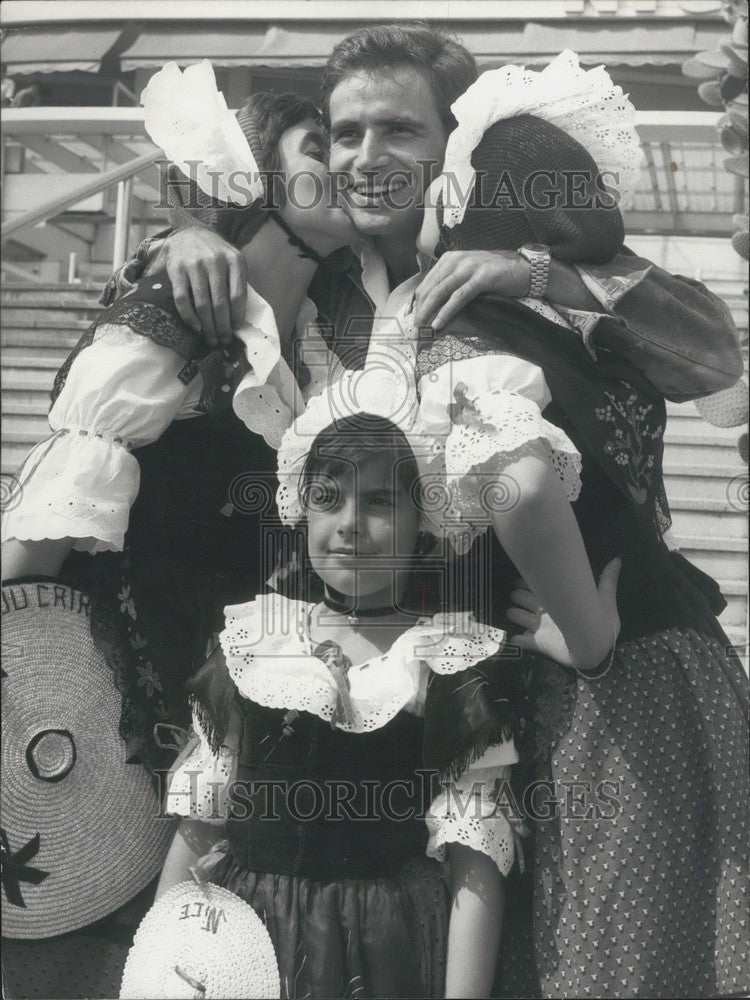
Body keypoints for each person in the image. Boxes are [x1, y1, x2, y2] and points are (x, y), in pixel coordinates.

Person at [386, 55, 749, 999]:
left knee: (637, 941)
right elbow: (519, 487)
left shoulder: (545, 312)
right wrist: (584, 636)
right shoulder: (482, 326)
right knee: (644, 941)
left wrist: (541, 269)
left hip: (637, 681)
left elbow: (712, 351)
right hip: (632, 680)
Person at [1, 67, 357, 769]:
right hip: (121, 718)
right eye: (317, 147)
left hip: (220, 711)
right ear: (255, 179)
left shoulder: (302, 347)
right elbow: (39, 546)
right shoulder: (173, 312)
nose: (343, 164)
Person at [156, 365, 534, 999]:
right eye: (329, 497)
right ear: (301, 512)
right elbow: (199, 824)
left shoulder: (450, 662)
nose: (350, 523)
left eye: (381, 501)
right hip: (245, 943)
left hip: (381, 950)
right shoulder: (255, 642)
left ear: (426, 520)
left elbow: (475, 857)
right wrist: (160, 967)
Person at [137, 23, 742, 406]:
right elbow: (210, 172)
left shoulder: (522, 245)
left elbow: (714, 358)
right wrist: (188, 236)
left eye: (398, 130)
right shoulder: (321, 269)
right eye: (346, 135)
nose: (366, 160)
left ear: (457, 142)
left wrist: (534, 276)